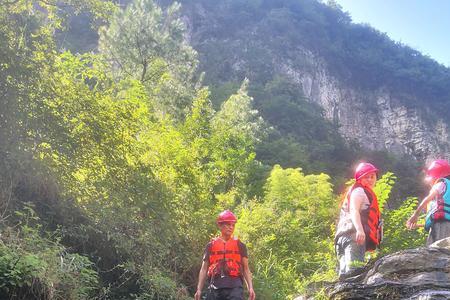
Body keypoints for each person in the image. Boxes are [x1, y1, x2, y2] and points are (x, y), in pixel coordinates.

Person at [334, 162, 382, 280]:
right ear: (360, 178)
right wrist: (360, 230)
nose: (371, 179)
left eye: (373, 176)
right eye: (367, 177)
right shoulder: (360, 192)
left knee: (345, 275)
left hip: (341, 238)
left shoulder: (356, 191)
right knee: (354, 274)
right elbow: (354, 210)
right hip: (354, 237)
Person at [194, 210, 256, 300]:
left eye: (233, 225)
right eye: (228, 224)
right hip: (215, 286)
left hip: (235, 287)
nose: (231, 227)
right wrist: (199, 289)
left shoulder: (240, 245)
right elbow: (204, 269)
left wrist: (250, 287)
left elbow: (246, 268)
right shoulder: (210, 245)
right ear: (220, 225)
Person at [406, 159, 450, 246]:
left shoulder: (440, 183)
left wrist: (415, 215)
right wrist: (419, 225)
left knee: (436, 252)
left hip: (441, 225)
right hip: (444, 225)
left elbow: (427, 199)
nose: (428, 181)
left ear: (435, 175)